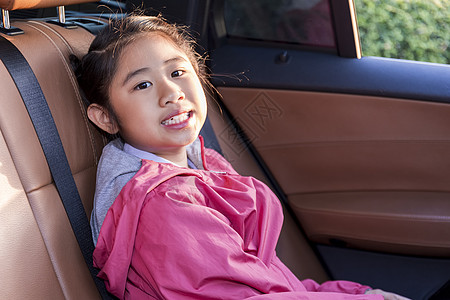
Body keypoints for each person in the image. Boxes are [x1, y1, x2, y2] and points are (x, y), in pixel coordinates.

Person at [74, 14, 410, 300]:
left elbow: (266, 278)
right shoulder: (164, 207)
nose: (171, 93)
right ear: (106, 118)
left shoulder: (198, 163)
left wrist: (352, 293)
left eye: (177, 73)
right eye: (143, 86)